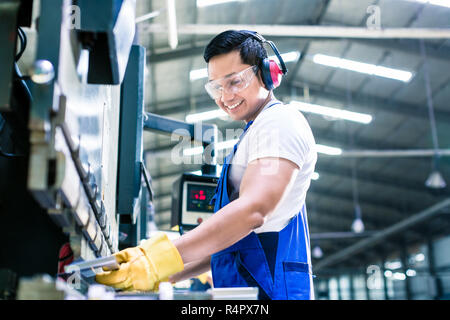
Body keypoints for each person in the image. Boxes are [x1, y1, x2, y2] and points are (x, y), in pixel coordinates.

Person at [96, 30, 317, 300]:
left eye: (235, 82)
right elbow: (229, 243)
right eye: (216, 87)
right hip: (244, 291)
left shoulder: (281, 122)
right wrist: (160, 275)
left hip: (270, 292)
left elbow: (254, 211)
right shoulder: (253, 133)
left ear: (267, 73)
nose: (226, 97)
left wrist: (159, 258)